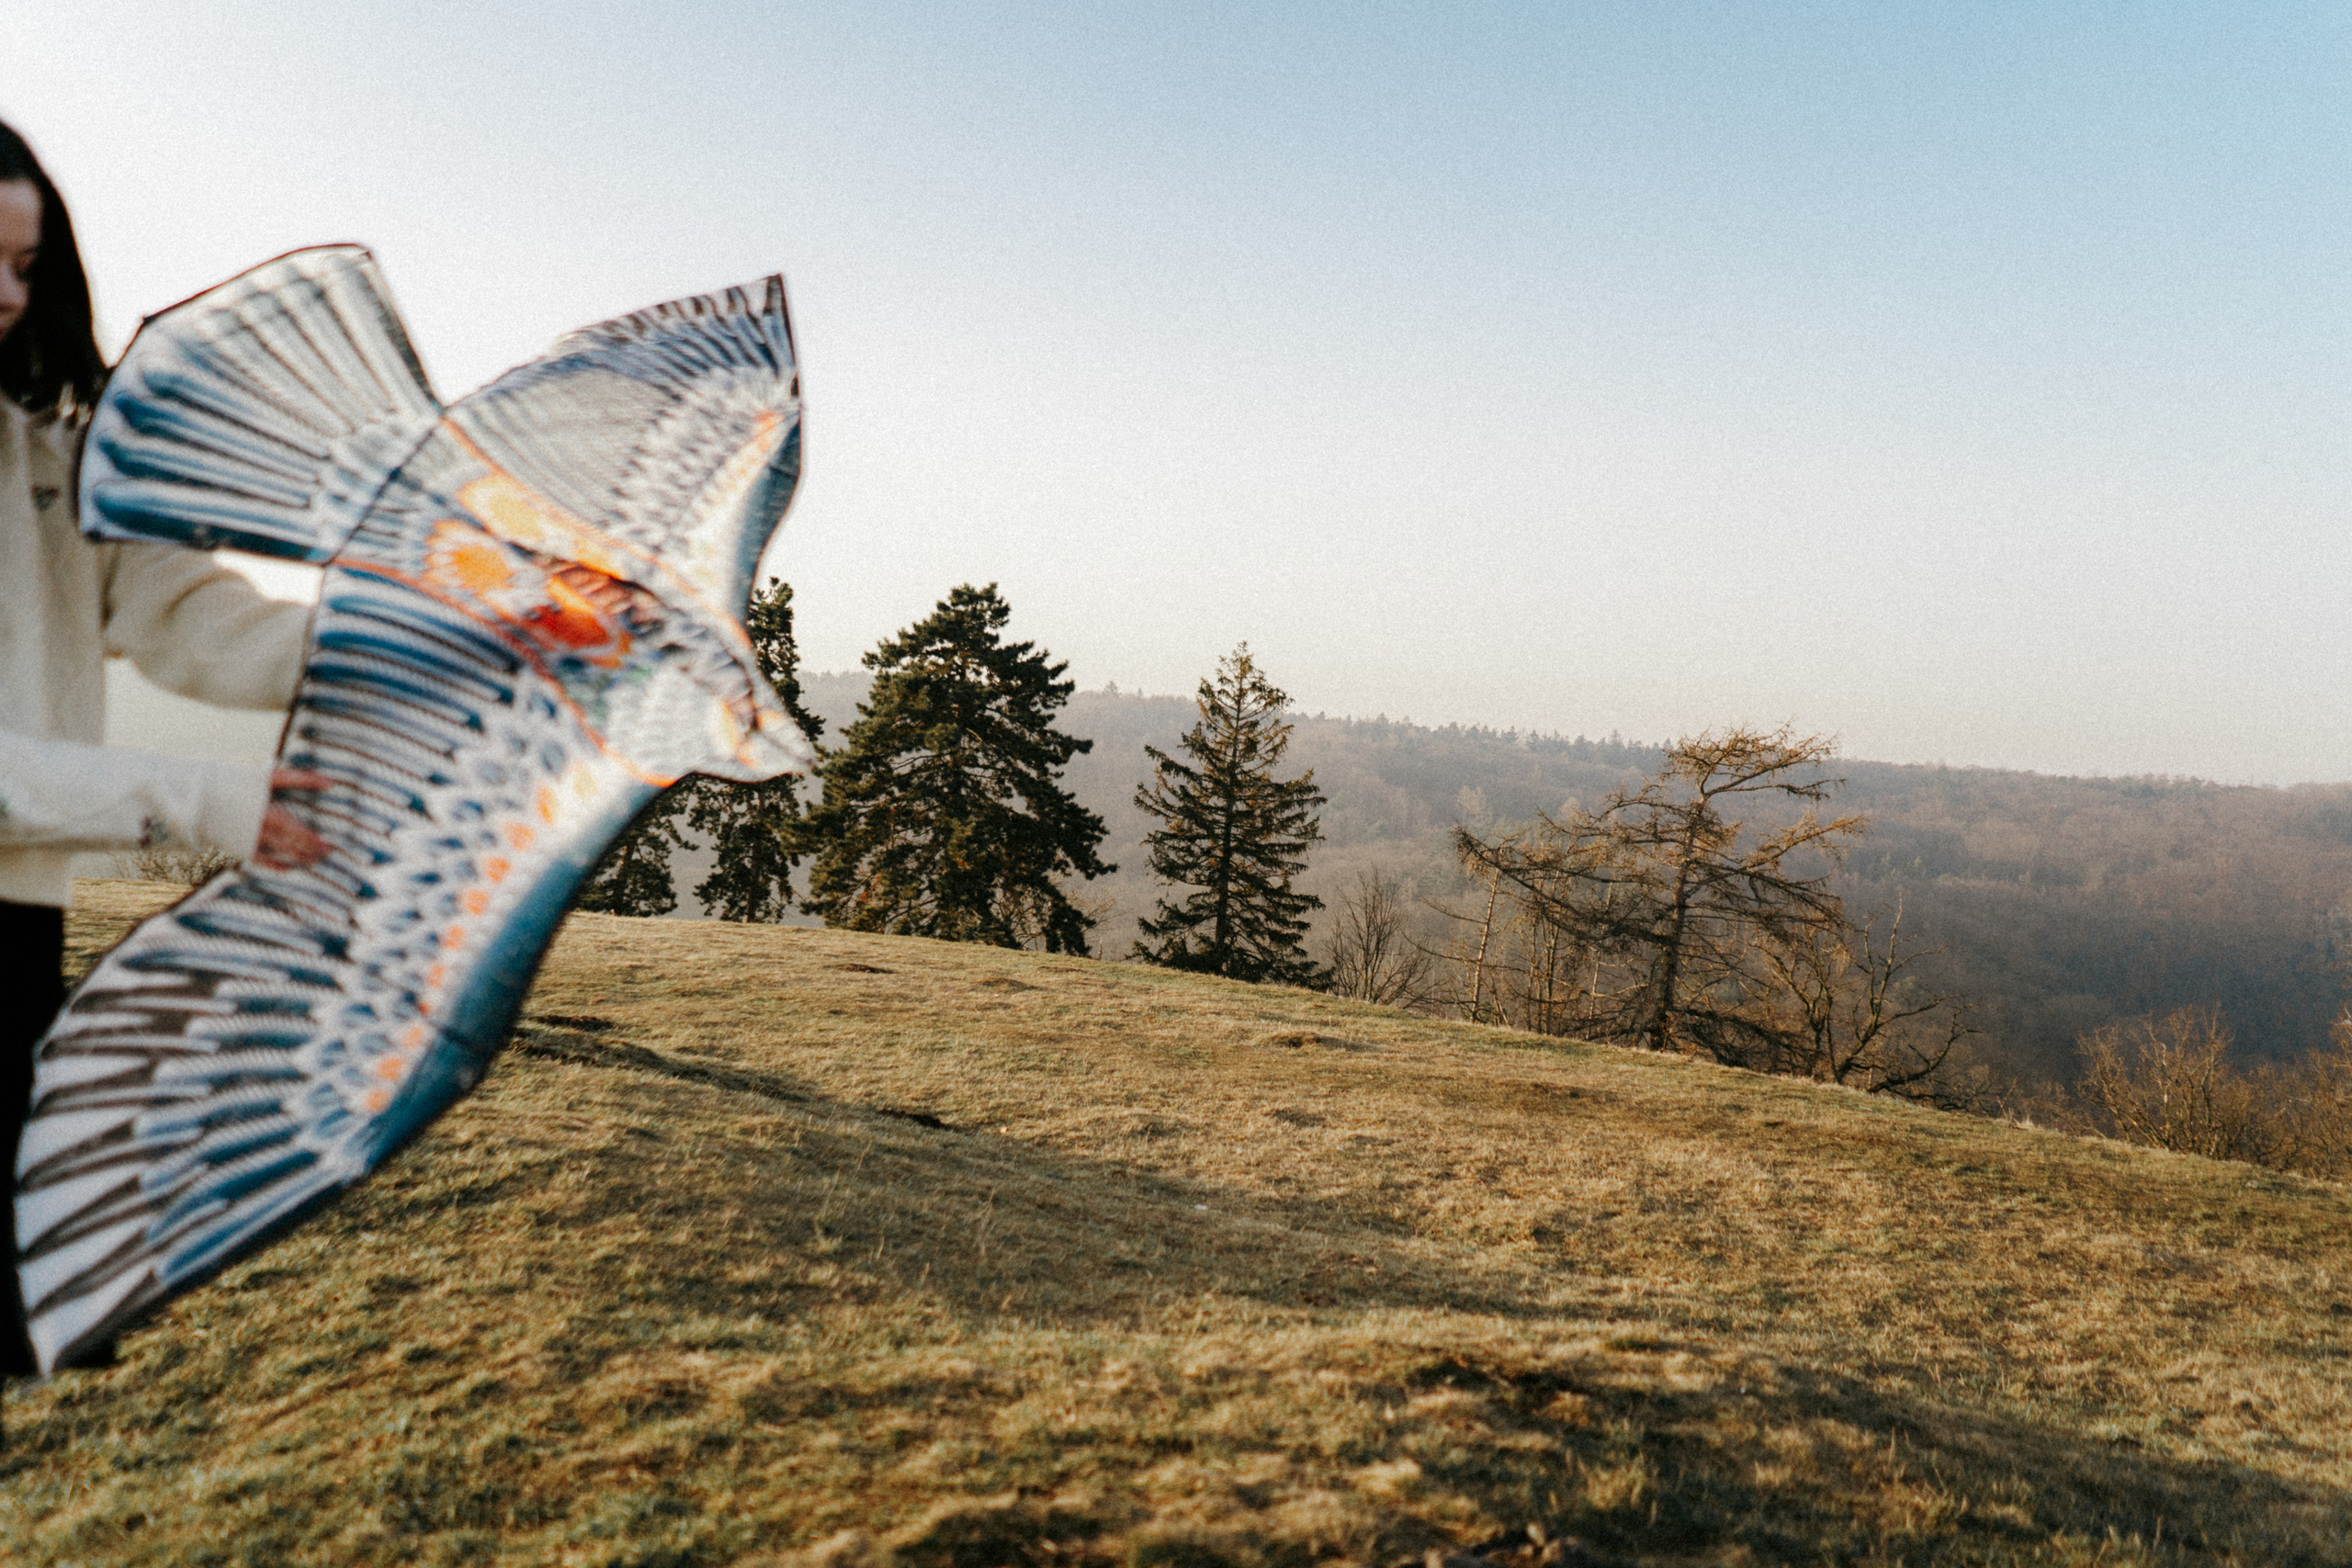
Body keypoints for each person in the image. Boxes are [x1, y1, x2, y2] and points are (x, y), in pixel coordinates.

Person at [0, 121, 327, 1380]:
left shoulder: (48, 445)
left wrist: (433, 632)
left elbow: (191, 616)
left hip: (16, 936)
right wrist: (206, 801)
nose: (11, 296)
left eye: (29, 266)